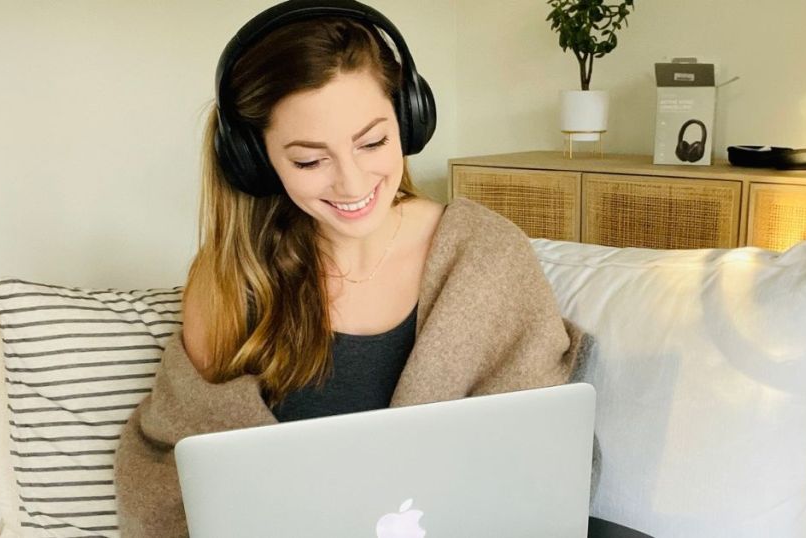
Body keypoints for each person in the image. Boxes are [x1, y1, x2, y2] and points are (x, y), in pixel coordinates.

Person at [113, 1, 587, 535]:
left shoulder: (486, 256)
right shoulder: (230, 280)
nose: (353, 183)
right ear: (254, 159)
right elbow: (181, 479)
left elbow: (542, 461)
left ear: (408, 119)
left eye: (373, 142)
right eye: (310, 160)